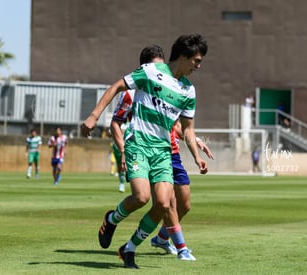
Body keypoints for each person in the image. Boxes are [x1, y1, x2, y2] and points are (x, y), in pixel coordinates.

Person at [81, 34, 208, 269]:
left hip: (162, 151)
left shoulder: (188, 91)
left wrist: (197, 156)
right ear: (183, 56)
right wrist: (94, 115)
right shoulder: (151, 72)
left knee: (162, 204)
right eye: (197, 61)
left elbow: (188, 130)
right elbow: (118, 86)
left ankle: (129, 248)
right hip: (138, 142)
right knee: (141, 197)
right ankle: (111, 219)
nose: (199, 66)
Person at [151, 120, 214, 254]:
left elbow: (180, 128)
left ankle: (161, 239)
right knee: (167, 203)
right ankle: (180, 248)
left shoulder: (178, 104)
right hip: (158, 155)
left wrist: (197, 141)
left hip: (175, 158)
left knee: (184, 206)